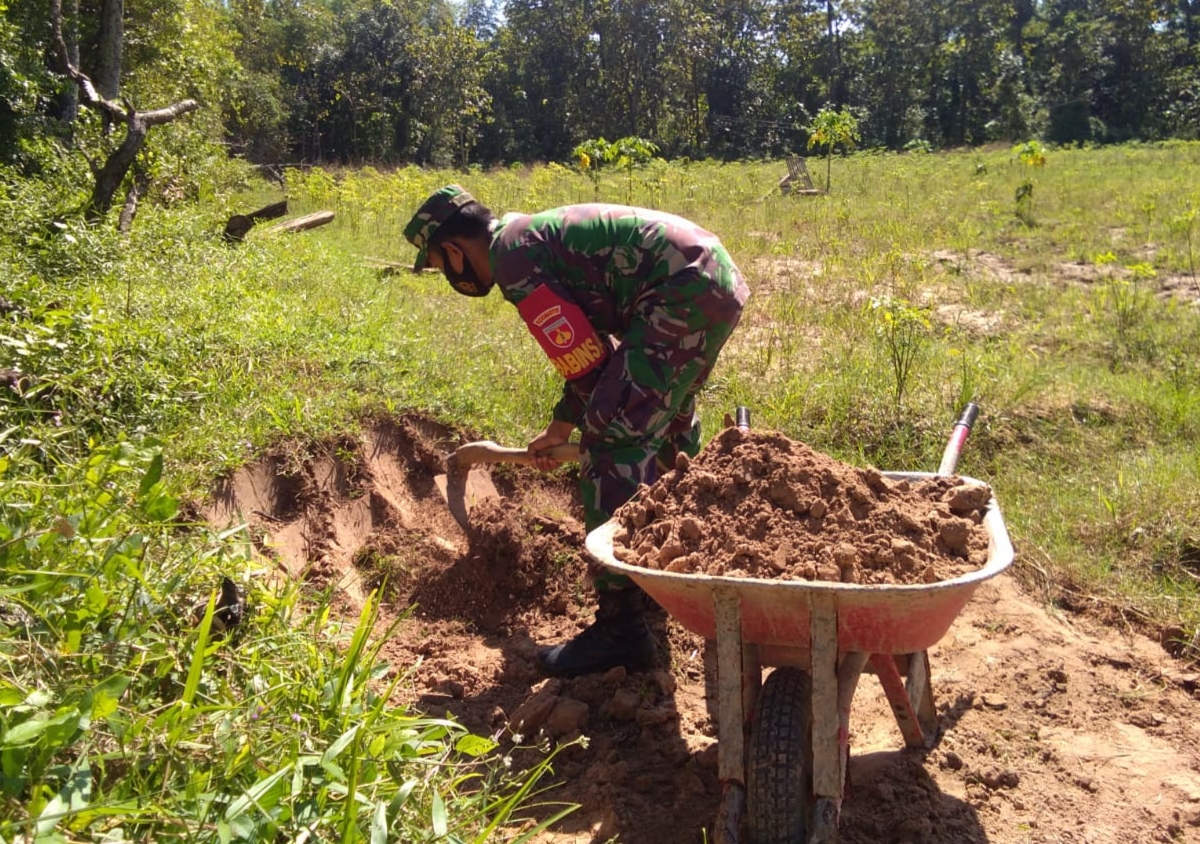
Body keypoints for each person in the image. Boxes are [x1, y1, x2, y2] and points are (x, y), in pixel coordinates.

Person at [404, 185, 749, 677]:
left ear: (455, 250)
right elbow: (595, 353)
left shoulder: (514, 263)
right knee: (667, 422)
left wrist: (588, 433)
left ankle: (623, 625)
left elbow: (589, 369)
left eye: (439, 264)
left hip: (679, 289)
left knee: (613, 441)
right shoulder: (527, 238)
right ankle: (667, 574)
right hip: (708, 277)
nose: (446, 275)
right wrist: (560, 424)